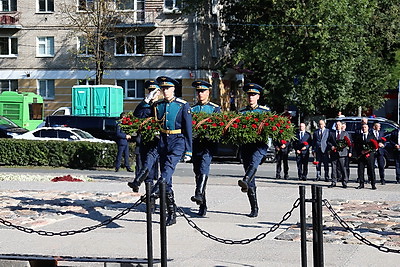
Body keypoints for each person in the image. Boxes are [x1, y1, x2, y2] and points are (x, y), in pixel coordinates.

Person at [153, 76, 192, 226]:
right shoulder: (158, 105)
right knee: (167, 179)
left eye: (167, 88)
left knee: (168, 167)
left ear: (174, 89)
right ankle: (171, 213)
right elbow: (141, 116)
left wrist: (188, 150)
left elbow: (188, 129)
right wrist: (147, 100)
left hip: (178, 140)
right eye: (163, 88)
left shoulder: (182, 105)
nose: (165, 91)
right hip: (163, 141)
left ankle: (157, 188)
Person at [237, 83, 270, 218]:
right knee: (251, 178)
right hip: (246, 146)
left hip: (259, 145)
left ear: (258, 96)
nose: (251, 97)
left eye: (253, 95)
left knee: (254, 164)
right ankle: (254, 207)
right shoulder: (242, 112)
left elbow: (269, 130)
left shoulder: (264, 112)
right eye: (249, 95)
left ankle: (245, 179)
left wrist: (268, 145)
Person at [190, 80, 221, 217]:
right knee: (198, 173)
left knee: (204, 168)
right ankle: (202, 202)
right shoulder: (192, 109)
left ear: (208, 92)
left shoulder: (214, 109)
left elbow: (219, 128)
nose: (200, 94)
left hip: (208, 145)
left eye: (203, 91)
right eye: (198, 91)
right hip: (195, 144)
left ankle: (198, 194)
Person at [127, 80, 161, 192]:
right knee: (147, 170)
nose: (152, 94)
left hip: (159, 141)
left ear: (159, 93)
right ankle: (149, 200)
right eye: (150, 91)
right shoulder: (145, 106)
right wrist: (145, 101)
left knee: (154, 168)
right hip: (145, 141)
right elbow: (136, 115)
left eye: (154, 91)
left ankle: (156, 196)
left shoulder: (162, 105)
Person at [327, 121, 352, 188]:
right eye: (337, 125)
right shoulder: (332, 133)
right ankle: (334, 181)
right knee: (334, 168)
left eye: (339, 125)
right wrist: (331, 146)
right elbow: (328, 141)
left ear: (341, 126)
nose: (338, 126)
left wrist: (349, 151)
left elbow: (349, 143)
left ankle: (344, 182)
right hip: (334, 153)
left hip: (342, 153)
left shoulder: (345, 133)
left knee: (343, 168)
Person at [354, 124, 377, 190]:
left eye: (365, 127)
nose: (364, 128)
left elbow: (375, 146)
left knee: (371, 170)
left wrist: (368, 151)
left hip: (369, 156)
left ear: (368, 128)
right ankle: (361, 184)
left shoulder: (371, 136)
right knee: (360, 170)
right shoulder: (359, 136)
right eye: (363, 127)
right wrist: (360, 151)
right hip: (361, 156)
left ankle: (373, 184)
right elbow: (356, 145)